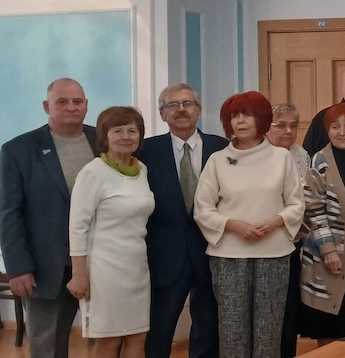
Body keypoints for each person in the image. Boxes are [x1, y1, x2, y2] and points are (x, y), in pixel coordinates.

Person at [193, 91, 305, 358]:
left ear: (262, 119)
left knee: (269, 329)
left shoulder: (281, 158)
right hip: (228, 256)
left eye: (248, 115)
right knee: (232, 330)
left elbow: (296, 204)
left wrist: (276, 221)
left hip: (274, 254)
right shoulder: (217, 160)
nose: (240, 121)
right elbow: (202, 209)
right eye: (235, 116)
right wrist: (233, 225)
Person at [0, 78, 96, 358]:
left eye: (77, 101)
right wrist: (18, 267)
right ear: (46, 106)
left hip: (100, 262)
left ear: (86, 105)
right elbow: (9, 212)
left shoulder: (103, 141)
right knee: (47, 348)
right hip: (46, 267)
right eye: (62, 102)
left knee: (107, 342)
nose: (71, 107)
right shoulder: (18, 150)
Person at [141, 83, 226, 358]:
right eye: (172, 105)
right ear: (162, 114)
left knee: (209, 328)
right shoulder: (146, 151)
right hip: (164, 254)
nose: (181, 110)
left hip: (211, 251)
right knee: (159, 330)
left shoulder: (222, 148)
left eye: (188, 103)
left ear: (198, 110)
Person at [65, 106, 153, 356]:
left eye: (132, 131)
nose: (126, 136)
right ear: (105, 137)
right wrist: (79, 274)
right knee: (108, 340)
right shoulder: (93, 172)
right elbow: (77, 227)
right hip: (103, 272)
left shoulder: (141, 170)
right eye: (118, 131)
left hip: (137, 269)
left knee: (137, 335)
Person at [297, 103, 345, 343]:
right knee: (329, 324)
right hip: (328, 255)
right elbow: (313, 209)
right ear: (328, 131)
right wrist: (328, 250)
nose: (342, 132)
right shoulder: (320, 160)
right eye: (335, 127)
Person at [266, 102, 307, 358]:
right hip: (264, 240)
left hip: (293, 241)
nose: (289, 131)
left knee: (289, 307)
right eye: (281, 125)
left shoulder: (301, 155)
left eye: (293, 125)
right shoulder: (259, 154)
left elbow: (305, 197)